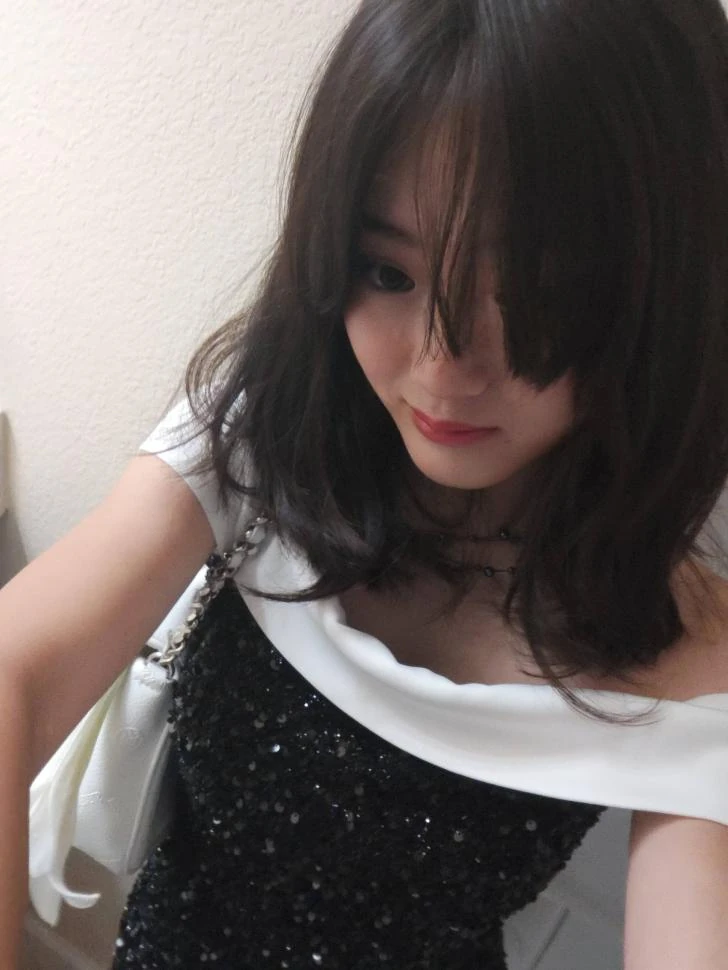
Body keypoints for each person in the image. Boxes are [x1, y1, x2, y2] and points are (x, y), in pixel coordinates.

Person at [3, 0, 728, 965]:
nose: (441, 367)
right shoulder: (269, 428)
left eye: (536, 290)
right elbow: (18, 663)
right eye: (388, 272)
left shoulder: (688, 656)